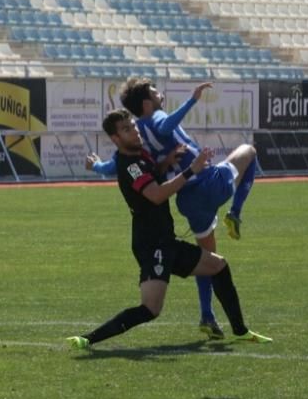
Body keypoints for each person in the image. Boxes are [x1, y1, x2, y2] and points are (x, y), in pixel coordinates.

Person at [67, 109, 271, 350]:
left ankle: (240, 331)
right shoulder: (130, 165)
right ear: (115, 139)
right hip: (152, 245)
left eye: (132, 125)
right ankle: (88, 339)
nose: (134, 130)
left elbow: (153, 176)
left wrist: (166, 162)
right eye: (126, 129)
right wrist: (191, 170)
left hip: (165, 241)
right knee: (151, 309)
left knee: (219, 265)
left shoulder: (140, 154)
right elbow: (155, 194)